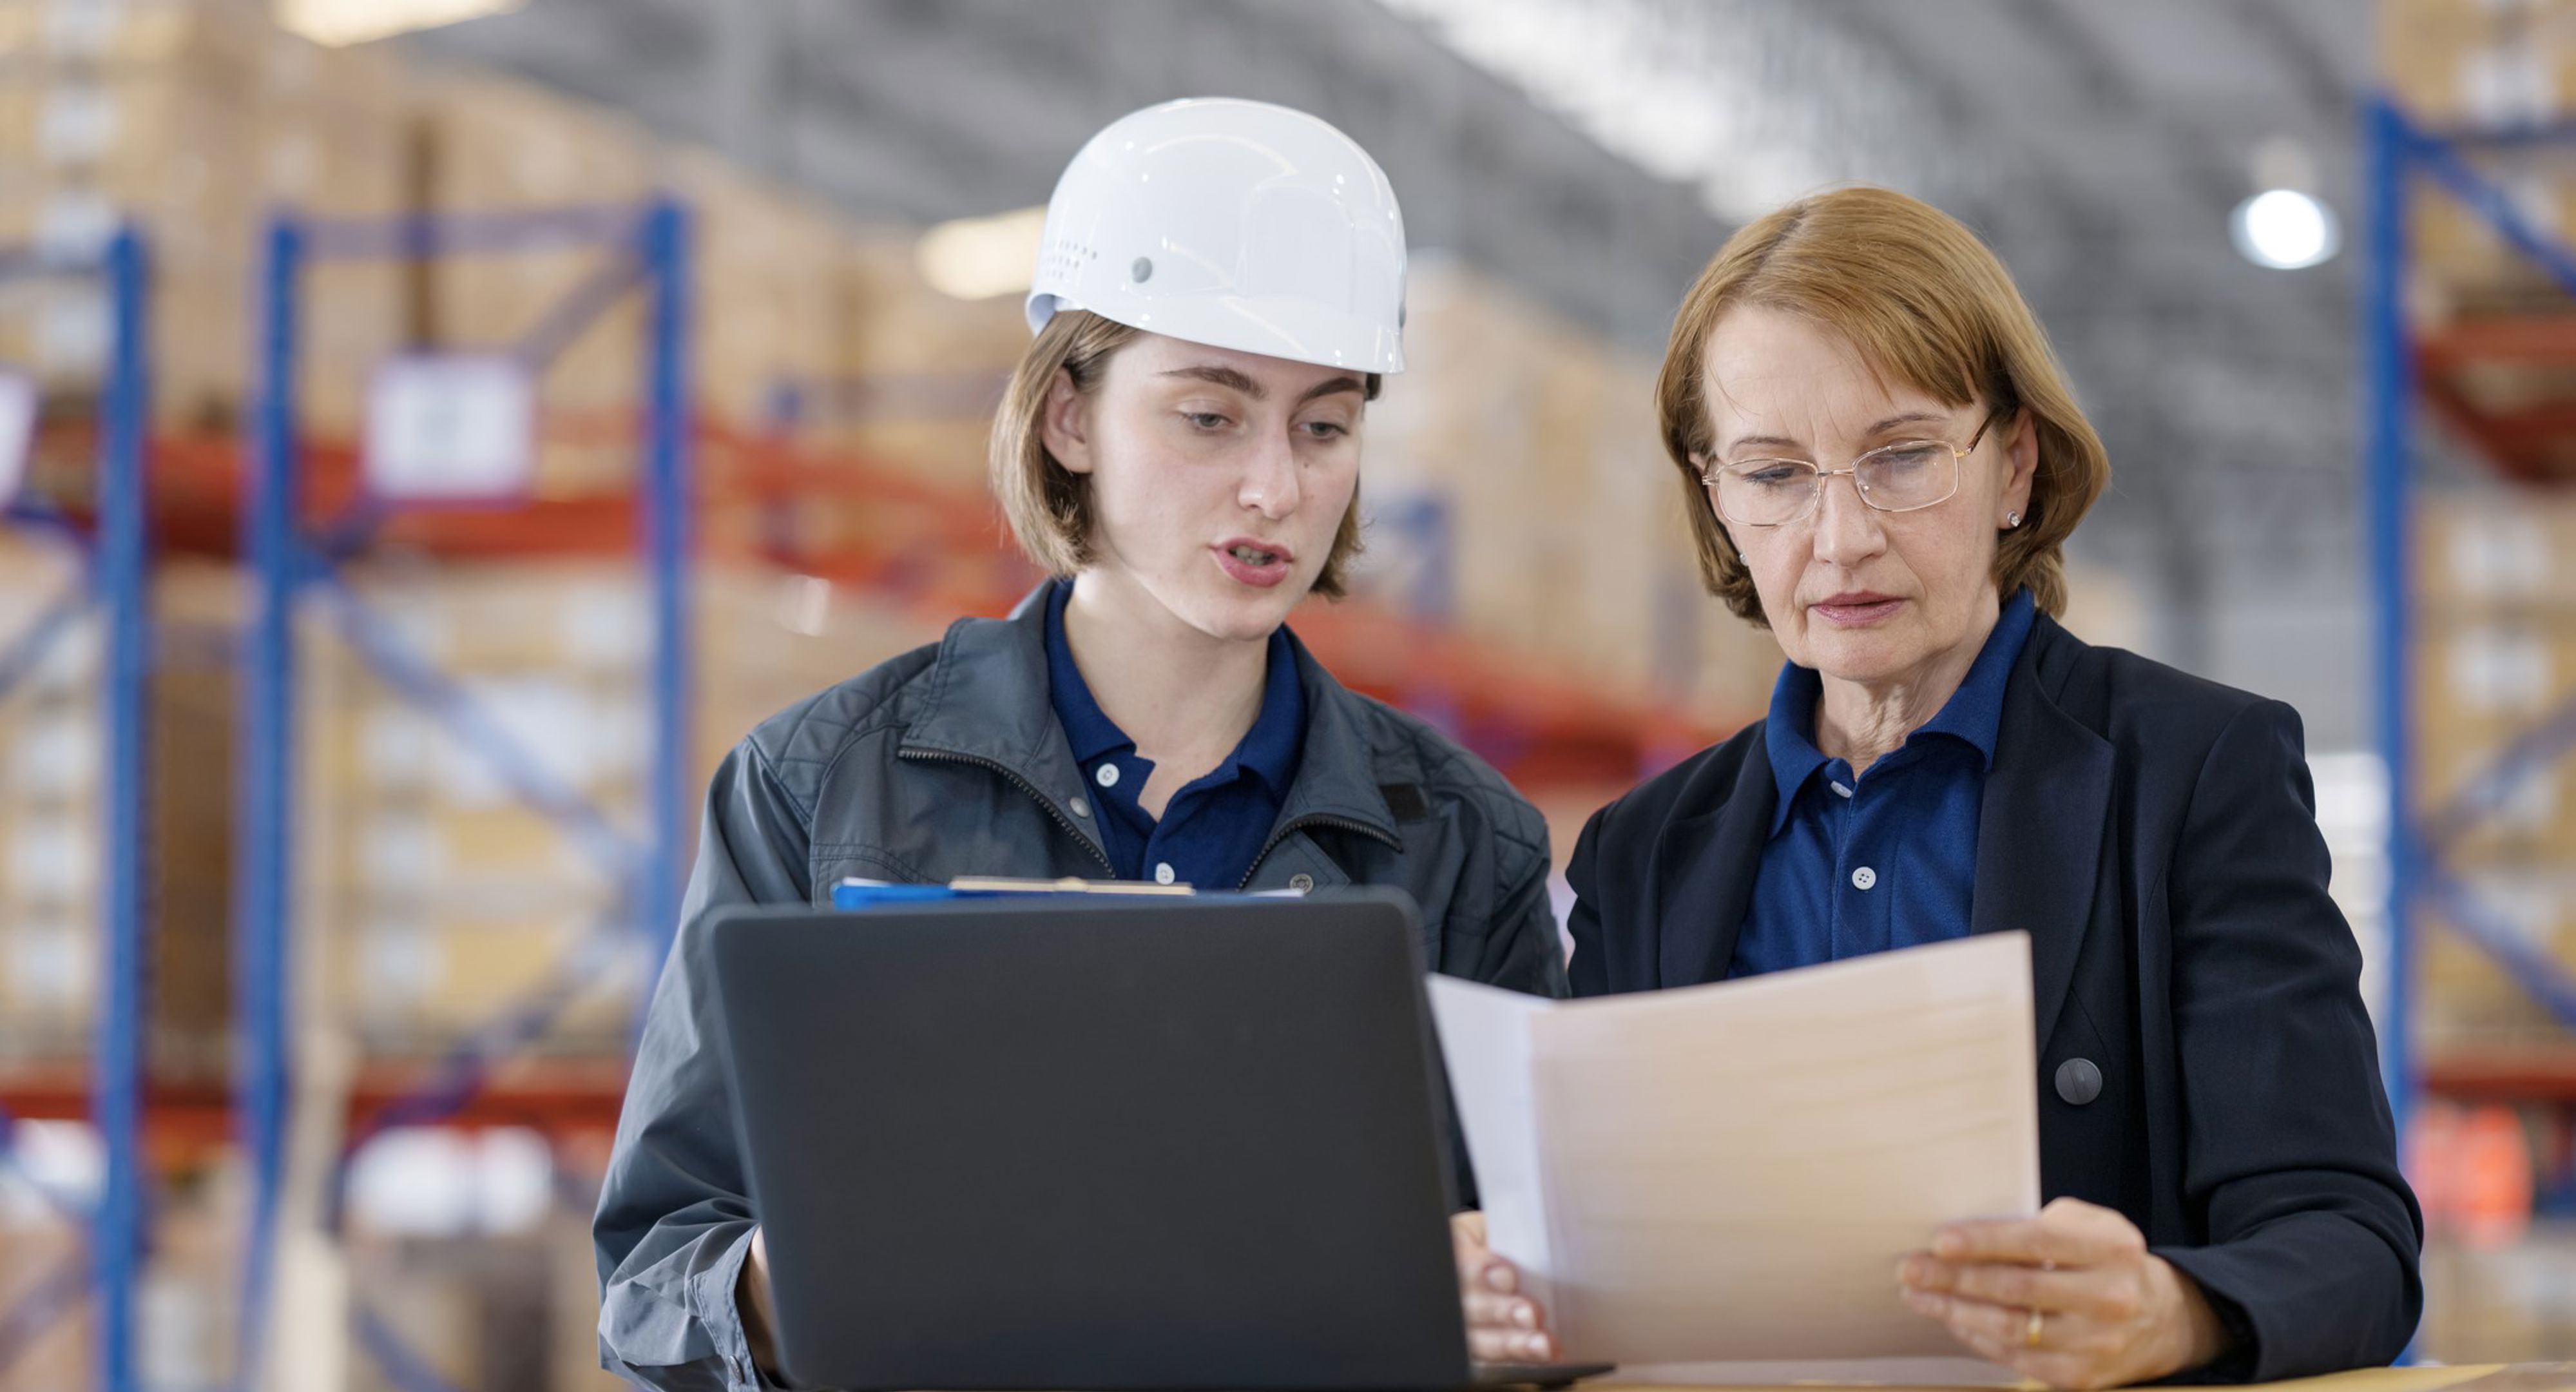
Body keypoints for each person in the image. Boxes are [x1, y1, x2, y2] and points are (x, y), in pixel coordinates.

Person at [590, 97, 1569, 1391]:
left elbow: (1559, 1282)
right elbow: (653, 1278)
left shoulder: (1462, 843)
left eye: (1323, 426)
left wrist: (1495, 1299)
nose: (1276, 488)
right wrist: (823, 1267)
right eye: (1209, 417)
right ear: (1069, 419)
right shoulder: (818, 786)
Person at [1461, 186, 2421, 1387]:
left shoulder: (2191, 774)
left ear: (2014, 462)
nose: (1838, 538)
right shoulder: (1642, 852)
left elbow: (2351, 1246)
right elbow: (1602, 1267)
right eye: (1774, 475)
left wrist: (2171, 1310)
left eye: (1901, 457)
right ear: (1715, 495)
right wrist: (1500, 1293)